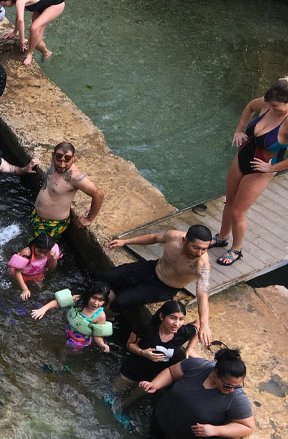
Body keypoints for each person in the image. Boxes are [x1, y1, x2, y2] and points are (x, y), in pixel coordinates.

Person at [211, 79, 288, 267]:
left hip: (262, 169)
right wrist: (239, 130)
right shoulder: (268, 102)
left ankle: (236, 250)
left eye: (276, 107)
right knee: (229, 201)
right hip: (243, 155)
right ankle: (221, 237)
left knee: (238, 212)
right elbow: (250, 107)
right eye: (270, 105)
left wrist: (271, 168)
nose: (271, 108)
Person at [105, 225, 213, 346]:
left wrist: (204, 324)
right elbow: (154, 238)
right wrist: (125, 241)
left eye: (204, 249)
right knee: (107, 276)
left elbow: (203, 293)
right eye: (196, 248)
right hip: (152, 269)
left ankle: (105, 320)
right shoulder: (174, 237)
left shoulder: (202, 264)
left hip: (164, 287)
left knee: (120, 302)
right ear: (185, 240)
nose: (199, 253)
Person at [141, 348, 253, 439]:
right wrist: (156, 384)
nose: (232, 389)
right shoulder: (198, 366)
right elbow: (171, 372)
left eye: (237, 385)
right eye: (228, 385)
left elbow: (247, 426)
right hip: (160, 418)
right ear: (216, 372)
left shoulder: (236, 398)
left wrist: (215, 430)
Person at [111, 300, 198, 410]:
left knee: (130, 401)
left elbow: (198, 326)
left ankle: (122, 409)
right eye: (172, 318)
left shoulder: (183, 332)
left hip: (153, 375)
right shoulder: (146, 327)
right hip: (133, 367)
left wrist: (189, 349)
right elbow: (130, 344)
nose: (177, 323)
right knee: (115, 392)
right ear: (161, 316)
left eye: (181, 319)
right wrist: (143, 353)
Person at [30, 142, 104, 242]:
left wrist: (89, 219)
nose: (62, 165)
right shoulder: (55, 163)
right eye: (58, 159)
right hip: (37, 216)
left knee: (37, 252)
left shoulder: (75, 177)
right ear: (53, 155)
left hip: (52, 224)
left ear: (74, 158)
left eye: (67, 160)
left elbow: (98, 194)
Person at [31, 281, 112, 354]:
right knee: (60, 343)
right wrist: (43, 309)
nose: (96, 303)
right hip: (69, 330)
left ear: (105, 301)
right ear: (88, 295)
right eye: (94, 298)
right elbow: (58, 302)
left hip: (79, 341)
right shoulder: (79, 300)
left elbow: (98, 335)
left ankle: (61, 365)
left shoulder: (100, 316)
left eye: (101, 300)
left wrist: (102, 344)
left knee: (64, 352)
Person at [0, 0, 65, 66]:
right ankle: (47, 53)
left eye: (4, 4)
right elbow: (19, 15)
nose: (4, 7)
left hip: (55, 3)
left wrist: (22, 40)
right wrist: (14, 32)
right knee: (36, 41)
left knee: (33, 28)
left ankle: (30, 54)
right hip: (40, 7)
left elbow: (21, 20)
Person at [8, 233, 61, 300]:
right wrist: (25, 289)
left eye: (45, 253)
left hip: (37, 274)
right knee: (16, 289)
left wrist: (54, 259)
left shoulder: (50, 252)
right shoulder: (27, 253)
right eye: (40, 251)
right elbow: (17, 272)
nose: (42, 255)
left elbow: (51, 268)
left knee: (40, 291)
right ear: (34, 245)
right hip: (22, 274)